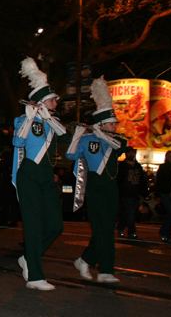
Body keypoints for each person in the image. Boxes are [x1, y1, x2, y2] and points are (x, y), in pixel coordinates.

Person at [12, 57, 71, 291]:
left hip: (47, 176)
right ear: (42, 101)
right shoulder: (24, 118)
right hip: (29, 174)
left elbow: (65, 136)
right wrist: (30, 116)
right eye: (52, 99)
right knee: (33, 226)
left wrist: (46, 117)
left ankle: (29, 257)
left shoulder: (53, 121)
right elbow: (18, 141)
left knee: (56, 225)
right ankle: (35, 275)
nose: (56, 101)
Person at [65, 77, 127, 283]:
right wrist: (77, 134)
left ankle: (84, 260)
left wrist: (101, 133)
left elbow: (120, 147)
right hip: (95, 188)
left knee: (107, 230)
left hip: (112, 188)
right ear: (102, 123)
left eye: (115, 123)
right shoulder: (87, 139)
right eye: (111, 123)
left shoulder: (118, 140)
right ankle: (105, 271)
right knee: (102, 231)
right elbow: (71, 156)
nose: (115, 126)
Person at [116, 147, 148, 239]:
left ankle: (120, 227)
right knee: (130, 212)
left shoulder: (138, 166)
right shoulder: (122, 166)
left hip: (135, 193)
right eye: (129, 152)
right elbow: (119, 180)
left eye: (132, 153)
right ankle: (131, 232)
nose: (131, 154)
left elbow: (142, 180)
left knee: (130, 212)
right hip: (126, 193)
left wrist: (144, 192)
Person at [155, 150, 171, 243]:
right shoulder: (164, 167)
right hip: (166, 193)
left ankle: (165, 233)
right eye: (169, 156)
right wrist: (158, 194)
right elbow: (159, 181)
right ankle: (165, 233)